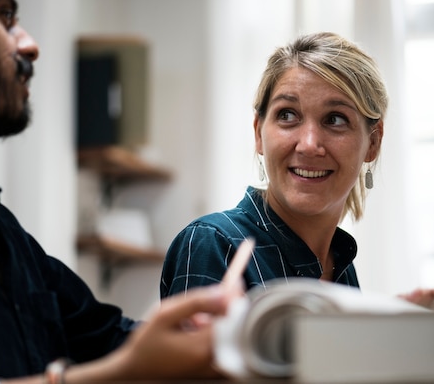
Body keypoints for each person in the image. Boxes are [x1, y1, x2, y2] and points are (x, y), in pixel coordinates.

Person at [0, 0, 236, 383]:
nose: (30, 45)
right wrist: (124, 371)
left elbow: (105, 335)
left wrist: (210, 341)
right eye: (5, 19)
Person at [161, 32, 386, 298]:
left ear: (372, 143)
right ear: (259, 133)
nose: (309, 144)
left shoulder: (341, 267)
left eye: (335, 119)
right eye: (288, 115)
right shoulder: (214, 244)